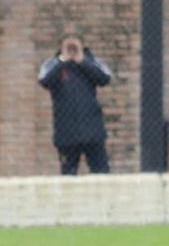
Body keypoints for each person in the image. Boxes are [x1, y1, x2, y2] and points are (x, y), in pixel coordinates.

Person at [37, 33, 112, 175]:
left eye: (75, 45)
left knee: (101, 172)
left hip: (92, 130)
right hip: (66, 132)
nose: (72, 49)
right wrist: (63, 60)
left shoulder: (91, 61)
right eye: (68, 46)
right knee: (68, 173)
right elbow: (44, 80)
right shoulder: (53, 63)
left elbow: (104, 78)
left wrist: (81, 60)